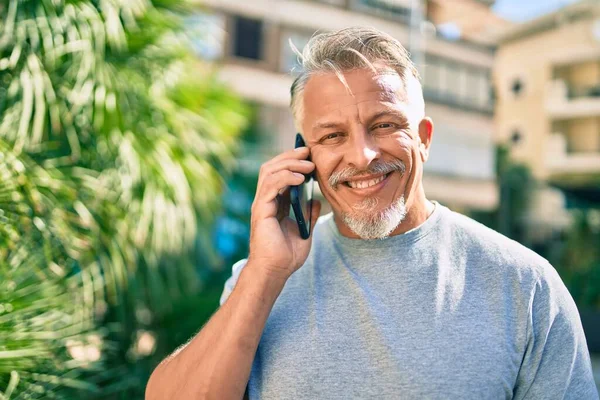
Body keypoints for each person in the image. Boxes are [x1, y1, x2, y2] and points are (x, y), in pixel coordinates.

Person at [145, 27, 599, 400]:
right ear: (304, 156)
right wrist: (264, 273)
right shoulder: (262, 279)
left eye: (384, 125)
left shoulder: (524, 284)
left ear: (423, 137)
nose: (361, 156)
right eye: (332, 136)